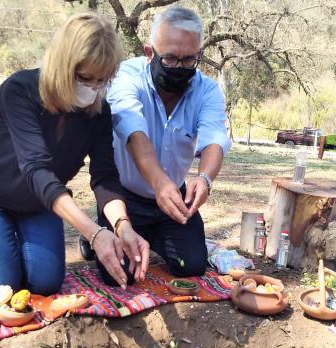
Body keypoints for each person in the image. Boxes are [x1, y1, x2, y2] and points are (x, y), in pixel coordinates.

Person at [0, 13, 150, 295]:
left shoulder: (98, 111)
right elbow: (37, 169)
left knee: (45, 283)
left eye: (102, 81)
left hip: (40, 201)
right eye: (86, 78)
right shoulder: (19, 91)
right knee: (3, 286)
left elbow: (104, 176)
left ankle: (4, 241)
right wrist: (93, 233)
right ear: (64, 64)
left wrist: (123, 227)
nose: (93, 89)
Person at [86, 7, 230, 287]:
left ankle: (153, 237)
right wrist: (159, 182)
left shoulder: (207, 90)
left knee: (192, 266)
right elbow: (133, 130)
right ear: (149, 51)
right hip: (126, 197)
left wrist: (205, 178)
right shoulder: (125, 76)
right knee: (121, 275)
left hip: (174, 199)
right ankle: (99, 231)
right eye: (171, 58)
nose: (179, 68)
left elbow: (215, 138)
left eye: (190, 60)